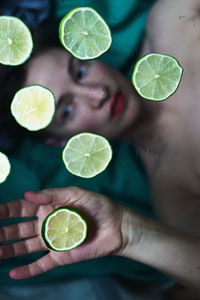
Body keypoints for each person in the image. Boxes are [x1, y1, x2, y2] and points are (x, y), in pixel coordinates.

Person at [0, 0, 200, 297]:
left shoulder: (171, 25)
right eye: (67, 110)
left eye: (80, 71)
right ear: (60, 142)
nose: (97, 94)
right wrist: (130, 234)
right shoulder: (173, 192)